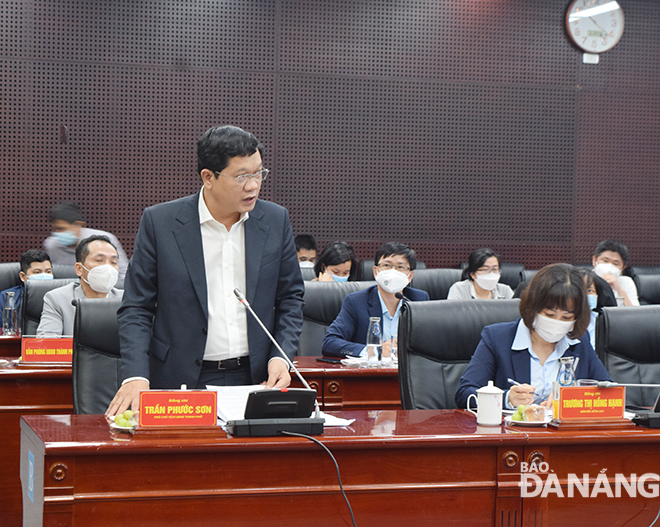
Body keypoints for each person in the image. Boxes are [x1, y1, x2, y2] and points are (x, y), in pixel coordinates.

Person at [106, 125, 304, 416]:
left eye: (259, 173)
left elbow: (291, 298)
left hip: (255, 378)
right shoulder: (160, 223)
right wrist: (136, 375)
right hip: (180, 379)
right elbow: (136, 307)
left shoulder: (275, 220)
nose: (253, 185)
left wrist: (281, 356)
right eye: (241, 176)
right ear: (208, 177)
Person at [455, 263, 611, 410]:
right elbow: (464, 394)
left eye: (567, 318)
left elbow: (609, 392)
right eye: (549, 314)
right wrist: (507, 399)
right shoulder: (497, 338)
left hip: (562, 435)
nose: (557, 322)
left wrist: (573, 399)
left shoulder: (578, 341)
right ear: (533, 307)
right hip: (513, 435)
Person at [322, 242, 429, 358]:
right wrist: (372, 351)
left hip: (410, 373)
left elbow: (431, 343)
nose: (393, 271)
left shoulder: (418, 301)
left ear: (410, 276)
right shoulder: (356, 302)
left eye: (400, 267)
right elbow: (330, 343)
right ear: (375, 271)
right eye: (387, 265)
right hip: (372, 373)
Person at [37, 235, 123, 337]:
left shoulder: (126, 301)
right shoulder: (57, 299)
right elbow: (47, 344)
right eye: (99, 260)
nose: (108, 267)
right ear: (79, 269)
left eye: (114, 262)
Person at [43, 202, 129, 280]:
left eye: (61, 229)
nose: (57, 233)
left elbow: (123, 273)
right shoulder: (51, 245)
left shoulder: (104, 240)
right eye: (55, 229)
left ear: (79, 225)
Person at [0, 249, 53, 316]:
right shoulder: (7, 297)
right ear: (23, 276)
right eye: (37, 272)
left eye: (48, 272)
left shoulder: (59, 295)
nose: (45, 275)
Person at [447, 248, 514, 300]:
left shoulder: (505, 291)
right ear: (473, 274)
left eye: (494, 269)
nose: (491, 273)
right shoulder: (459, 289)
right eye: (485, 269)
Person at [592, 239, 639, 306]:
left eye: (615, 264)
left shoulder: (626, 282)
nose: (609, 267)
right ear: (594, 260)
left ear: (623, 268)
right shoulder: (584, 278)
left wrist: (619, 289)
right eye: (605, 261)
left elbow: (635, 314)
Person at [578, 269, 617, 349]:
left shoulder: (604, 322)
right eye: (580, 290)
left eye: (590, 290)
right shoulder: (561, 320)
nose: (585, 295)